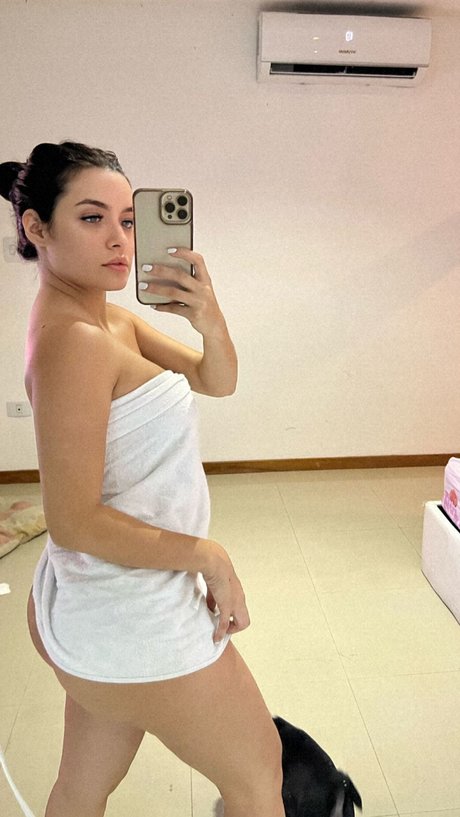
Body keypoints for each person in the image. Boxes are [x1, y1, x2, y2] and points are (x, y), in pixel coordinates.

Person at [0, 142, 285, 817]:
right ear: (37, 227)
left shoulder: (108, 319)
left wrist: (207, 315)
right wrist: (210, 557)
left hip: (101, 609)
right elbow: (73, 521)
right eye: (92, 218)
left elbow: (217, 378)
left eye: (129, 220)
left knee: (83, 786)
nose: (119, 239)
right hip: (134, 612)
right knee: (258, 776)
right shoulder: (76, 340)